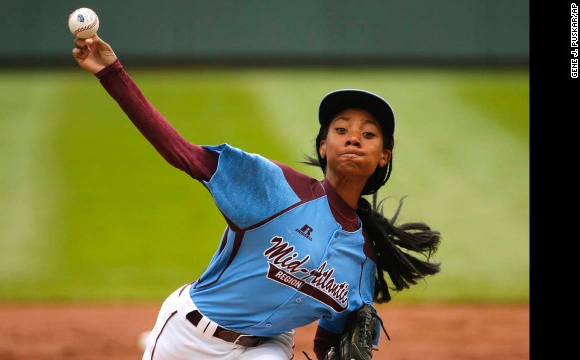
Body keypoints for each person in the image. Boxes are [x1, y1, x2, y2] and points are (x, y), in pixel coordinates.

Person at [72, 35, 441, 360]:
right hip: (186, 336)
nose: (354, 138)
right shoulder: (276, 188)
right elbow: (182, 153)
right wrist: (112, 74)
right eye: (341, 129)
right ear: (323, 147)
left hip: (267, 348)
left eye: (369, 134)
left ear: (384, 156)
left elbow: (331, 340)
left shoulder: (363, 257)